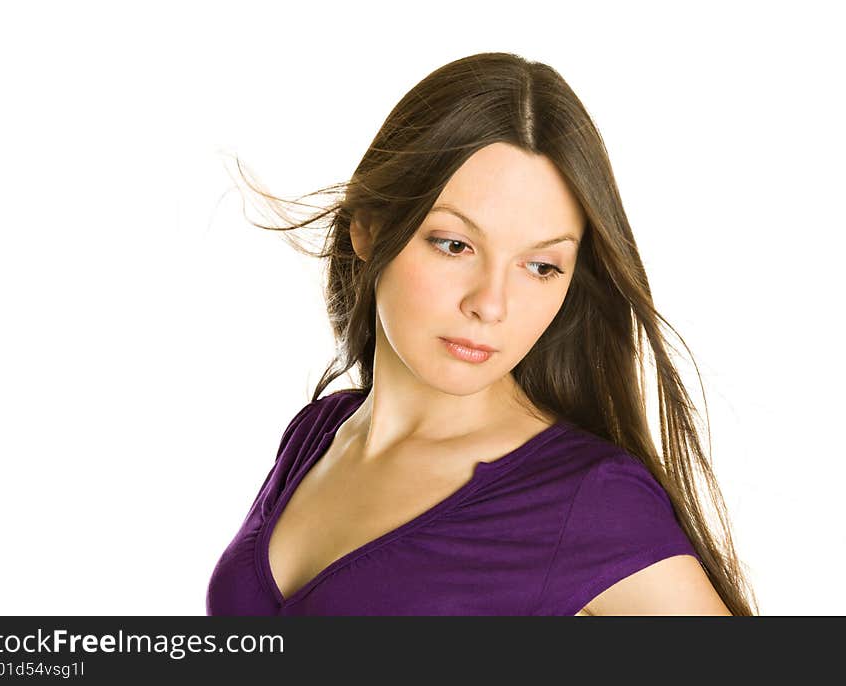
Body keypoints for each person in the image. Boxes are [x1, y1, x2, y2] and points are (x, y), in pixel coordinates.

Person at [205, 52, 758, 616]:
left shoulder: (588, 501)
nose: (491, 305)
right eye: (455, 245)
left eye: (540, 266)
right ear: (368, 230)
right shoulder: (317, 433)